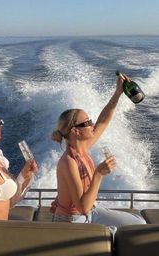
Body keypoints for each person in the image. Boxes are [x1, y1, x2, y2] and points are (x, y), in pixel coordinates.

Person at [50, 74, 146, 229]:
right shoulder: (68, 162)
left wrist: (117, 93)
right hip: (72, 220)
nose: (92, 123)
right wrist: (99, 174)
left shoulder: (83, 147)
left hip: (91, 209)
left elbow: (103, 120)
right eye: (87, 122)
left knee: (138, 224)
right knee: (117, 235)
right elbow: (82, 208)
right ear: (75, 131)